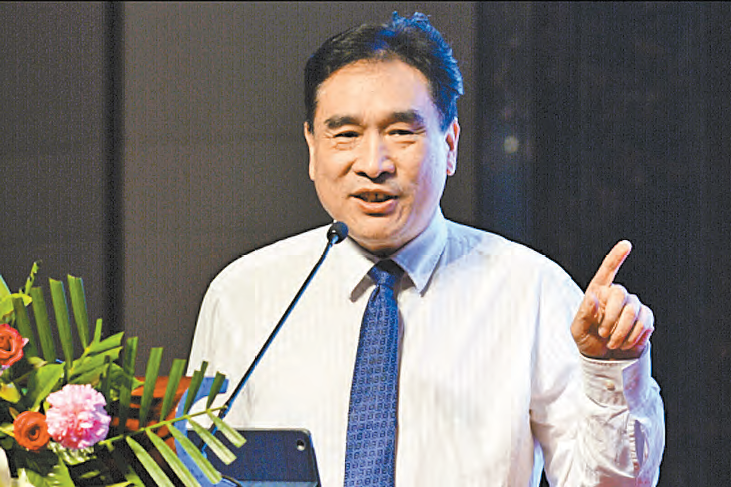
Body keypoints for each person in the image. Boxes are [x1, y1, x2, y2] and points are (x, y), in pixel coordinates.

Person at [189, 12, 664, 486]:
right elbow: (196, 470)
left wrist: (611, 373)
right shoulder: (243, 296)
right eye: (346, 134)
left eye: (401, 132)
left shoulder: (530, 290)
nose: (373, 164)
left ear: (450, 144)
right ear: (313, 149)